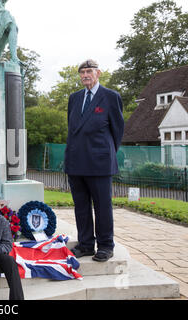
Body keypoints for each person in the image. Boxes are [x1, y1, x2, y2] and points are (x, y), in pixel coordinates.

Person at [64, 59, 124, 262]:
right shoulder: (74, 98)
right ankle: (86, 244)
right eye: (82, 72)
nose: (85, 75)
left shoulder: (110, 97)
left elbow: (117, 131)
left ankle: (106, 246)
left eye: (89, 71)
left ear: (98, 73)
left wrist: (105, 153)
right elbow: (72, 129)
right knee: (81, 207)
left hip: (99, 163)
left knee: (102, 207)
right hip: (76, 162)